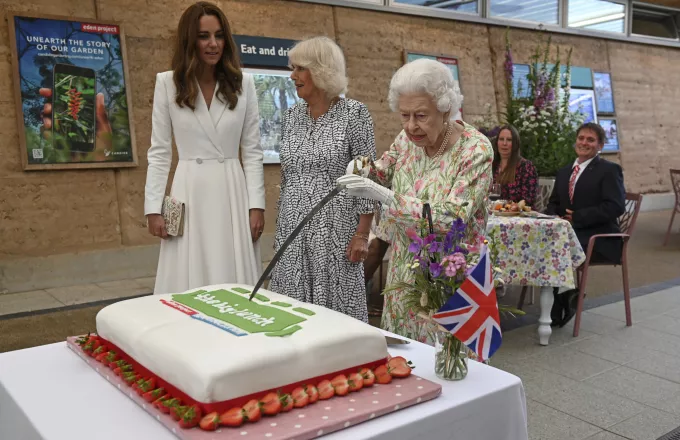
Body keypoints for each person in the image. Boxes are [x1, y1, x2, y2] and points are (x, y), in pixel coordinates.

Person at [338, 58, 493, 345]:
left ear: (445, 109)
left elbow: (452, 217)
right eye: (404, 115)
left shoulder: (475, 149)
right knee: (405, 359)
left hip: (450, 276)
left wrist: (385, 197)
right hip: (404, 273)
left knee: (450, 367)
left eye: (421, 115)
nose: (411, 126)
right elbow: (382, 170)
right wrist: (359, 167)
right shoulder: (406, 139)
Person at [144, 2, 265, 294]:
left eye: (219, 35)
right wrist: (153, 208)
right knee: (186, 278)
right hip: (187, 190)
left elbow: (252, 151)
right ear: (189, 40)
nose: (213, 44)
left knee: (233, 275)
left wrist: (256, 205)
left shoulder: (243, 84)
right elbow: (159, 152)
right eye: (203, 36)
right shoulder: (167, 83)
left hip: (232, 191)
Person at [268, 37, 377, 323]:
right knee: (292, 310)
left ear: (322, 71)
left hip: (336, 230)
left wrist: (362, 234)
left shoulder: (355, 114)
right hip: (293, 227)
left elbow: (364, 175)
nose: (293, 76)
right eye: (293, 69)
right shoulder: (291, 117)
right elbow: (287, 175)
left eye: (300, 69)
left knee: (335, 314)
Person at [546, 122, 625, 326]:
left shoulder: (609, 170)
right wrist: (556, 216)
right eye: (581, 138)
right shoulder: (565, 172)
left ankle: (558, 305)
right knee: (542, 244)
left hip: (599, 239)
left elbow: (615, 206)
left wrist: (578, 216)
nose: (584, 143)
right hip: (569, 236)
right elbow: (553, 203)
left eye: (590, 140)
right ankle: (565, 295)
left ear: (600, 146)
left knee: (556, 249)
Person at [492, 125, 538, 206]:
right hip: (495, 214)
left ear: (515, 144)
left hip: (519, 216)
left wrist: (506, 206)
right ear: (497, 142)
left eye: (509, 140)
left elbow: (528, 200)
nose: (504, 143)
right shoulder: (493, 165)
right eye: (501, 139)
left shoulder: (526, 167)